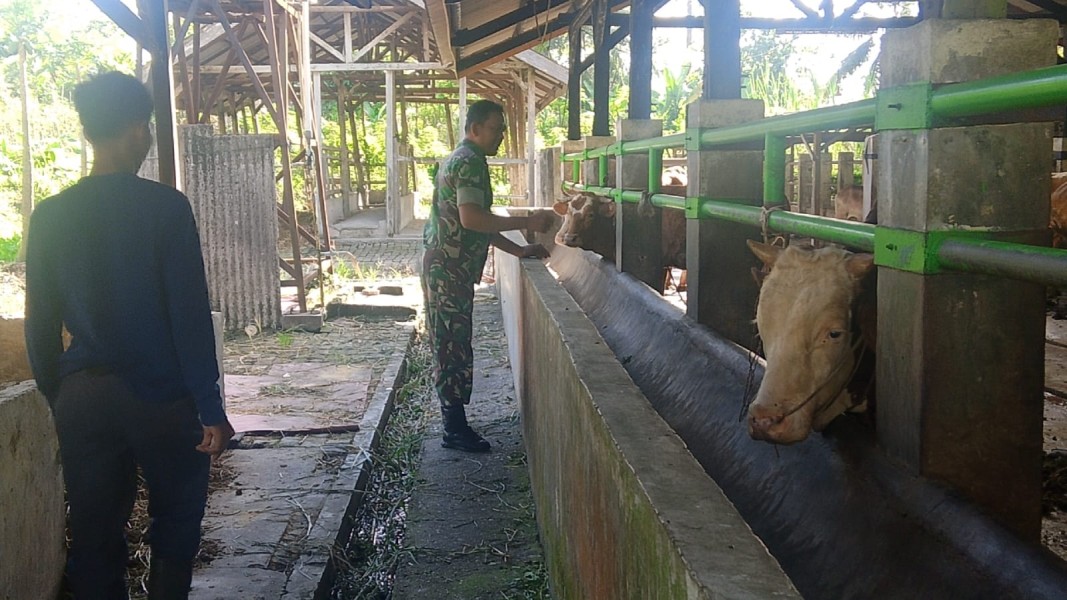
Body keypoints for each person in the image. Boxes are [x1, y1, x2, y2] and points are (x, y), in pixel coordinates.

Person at [24, 71, 234, 599]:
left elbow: (39, 323)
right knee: (176, 523)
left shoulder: (50, 216)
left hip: (85, 397)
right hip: (163, 399)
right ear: (140, 129)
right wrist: (210, 406)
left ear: (89, 129)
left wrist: (59, 393)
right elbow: (188, 316)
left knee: (94, 534)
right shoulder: (165, 208)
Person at [423, 99, 553, 453]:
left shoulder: (461, 158)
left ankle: (454, 423)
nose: (500, 137)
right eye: (496, 129)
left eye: (503, 130)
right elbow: (473, 220)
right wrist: (529, 221)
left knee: (450, 340)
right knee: (451, 344)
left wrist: (518, 250)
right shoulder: (470, 163)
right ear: (476, 128)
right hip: (449, 269)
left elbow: (478, 223)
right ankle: (453, 430)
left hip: (446, 266)